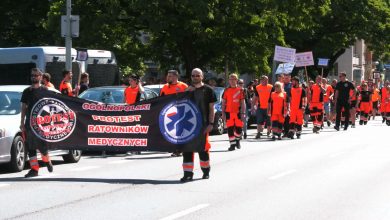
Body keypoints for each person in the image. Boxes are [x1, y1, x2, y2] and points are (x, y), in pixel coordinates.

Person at [180, 68, 217, 182]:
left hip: (203, 124)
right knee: (187, 149)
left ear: (202, 77)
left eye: (197, 75)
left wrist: (211, 123)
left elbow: (211, 109)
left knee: (203, 149)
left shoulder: (209, 90)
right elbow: (181, 106)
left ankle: (205, 171)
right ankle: (187, 173)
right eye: (193, 75)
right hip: (188, 125)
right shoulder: (187, 90)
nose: (195, 77)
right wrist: (187, 92)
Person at [20, 68, 53, 178]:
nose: (33, 77)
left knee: (42, 146)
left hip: (42, 123)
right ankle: (34, 169)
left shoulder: (45, 90)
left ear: (40, 76)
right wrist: (22, 123)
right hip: (30, 123)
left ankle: (47, 161)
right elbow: (24, 107)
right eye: (32, 75)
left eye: (35, 75)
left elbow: (52, 104)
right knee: (31, 147)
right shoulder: (27, 92)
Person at [160, 70, 188, 157]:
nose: (168, 78)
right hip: (169, 113)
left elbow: (189, 98)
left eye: (170, 76)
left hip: (180, 112)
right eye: (168, 76)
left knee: (178, 131)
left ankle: (178, 150)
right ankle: (175, 148)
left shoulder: (183, 86)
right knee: (171, 131)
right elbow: (160, 99)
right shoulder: (165, 87)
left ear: (176, 77)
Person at [222, 74, 245, 151]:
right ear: (229, 80)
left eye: (234, 79)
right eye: (231, 79)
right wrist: (223, 113)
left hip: (238, 113)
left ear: (236, 80)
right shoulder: (226, 90)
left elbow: (243, 102)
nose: (232, 81)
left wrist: (243, 113)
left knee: (239, 130)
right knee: (230, 129)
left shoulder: (240, 90)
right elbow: (223, 102)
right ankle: (232, 145)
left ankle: (237, 140)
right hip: (229, 113)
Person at [124, 74, 145, 155]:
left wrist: (139, 83)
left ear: (136, 81)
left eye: (131, 80)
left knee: (136, 131)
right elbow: (124, 101)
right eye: (129, 80)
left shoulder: (138, 88)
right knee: (129, 131)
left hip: (137, 112)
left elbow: (142, 91)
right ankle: (131, 148)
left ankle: (137, 148)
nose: (130, 82)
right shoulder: (127, 89)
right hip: (128, 112)